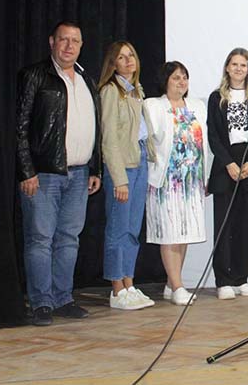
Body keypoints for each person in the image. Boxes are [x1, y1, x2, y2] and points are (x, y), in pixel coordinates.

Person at [16, 20, 102, 326]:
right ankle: (41, 302)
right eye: (63, 39)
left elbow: (96, 127)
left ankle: (63, 298)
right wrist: (27, 170)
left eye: (75, 41)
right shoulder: (35, 75)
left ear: (81, 46)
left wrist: (95, 167)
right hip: (44, 174)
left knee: (69, 239)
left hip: (79, 174)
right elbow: (20, 126)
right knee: (40, 239)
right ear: (52, 42)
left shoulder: (86, 79)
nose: (69, 46)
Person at [207, 48, 248, 300]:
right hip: (226, 165)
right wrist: (228, 163)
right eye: (234, 64)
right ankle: (223, 280)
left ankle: (241, 278)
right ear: (227, 67)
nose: (238, 69)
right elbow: (213, 135)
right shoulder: (216, 98)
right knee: (224, 225)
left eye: (243, 65)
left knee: (245, 224)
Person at [144, 61, 209, 306]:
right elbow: (150, 141)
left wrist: (205, 176)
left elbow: (204, 144)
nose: (181, 82)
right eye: (176, 78)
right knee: (170, 233)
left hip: (192, 181)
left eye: (184, 77)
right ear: (165, 81)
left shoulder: (197, 106)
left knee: (184, 232)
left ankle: (173, 284)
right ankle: (179, 286)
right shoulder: (153, 106)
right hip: (167, 181)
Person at [98, 41, 157, 310]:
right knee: (118, 228)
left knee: (132, 229)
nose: (128, 60)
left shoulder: (136, 91)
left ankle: (130, 283)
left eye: (131, 55)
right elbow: (109, 138)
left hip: (140, 161)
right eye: (121, 57)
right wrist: (119, 177)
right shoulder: (111, 91)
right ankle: (116, 288)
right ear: (113, 64)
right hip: (123, 166)